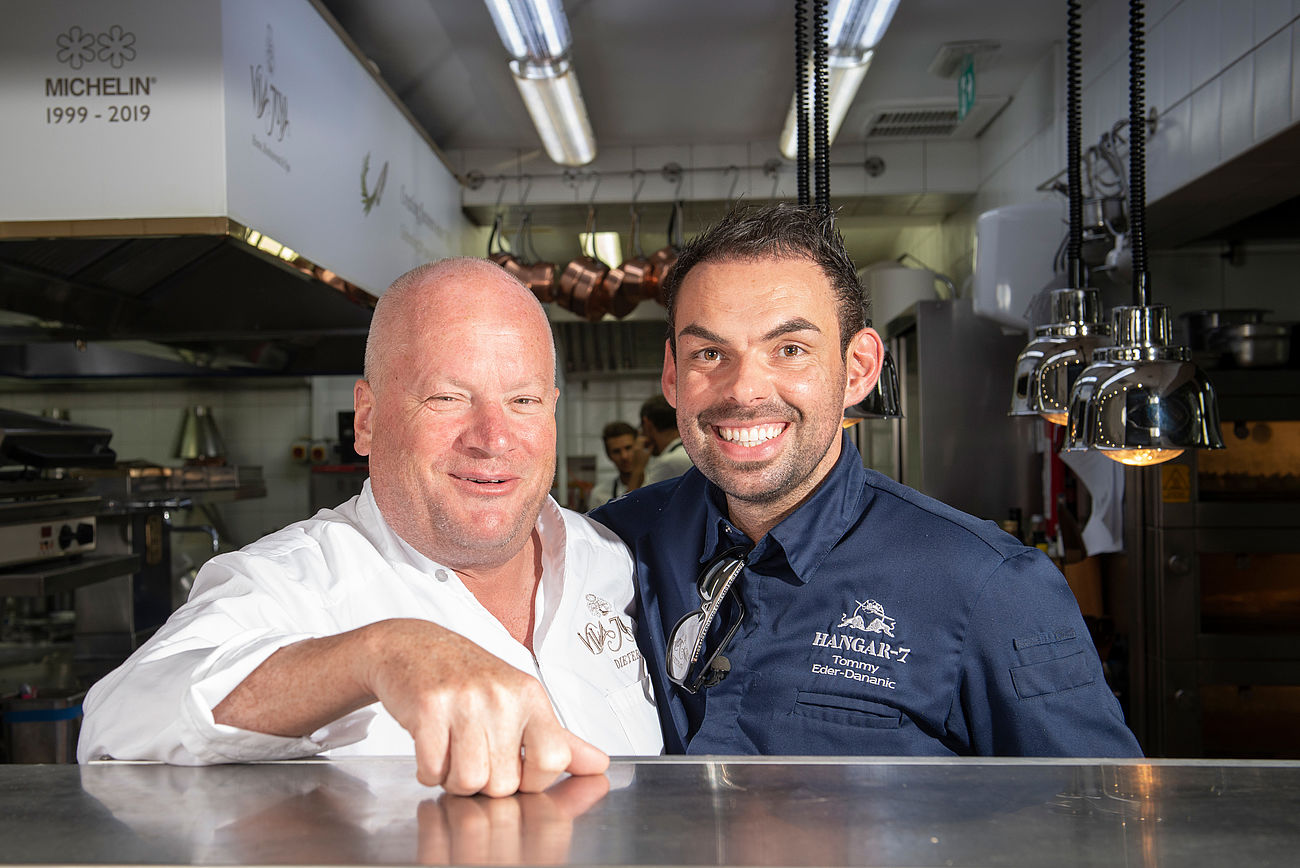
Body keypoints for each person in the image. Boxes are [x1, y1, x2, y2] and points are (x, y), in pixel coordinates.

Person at [78, 258, 662, 796]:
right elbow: (119, 724)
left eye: (524, 400)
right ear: (367, 419)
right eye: (446, 397)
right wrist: (376, 653)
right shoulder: (298, 581)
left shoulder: (614, 561)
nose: (493, 438)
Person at [591, 203, 1142, 757]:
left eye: (790, 350)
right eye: (710, 353)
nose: (744, 390)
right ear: (672, 375)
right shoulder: (611, 546)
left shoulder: (989, 586)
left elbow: (1095, 815)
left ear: (858, 369)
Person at [588, 421, 646, 509]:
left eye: (628, 448)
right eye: (616, 451)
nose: (624, 456)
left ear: (639, 447)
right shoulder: (600, 495)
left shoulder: (658, 482)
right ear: (608, 455)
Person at [639, 395, 693, 485]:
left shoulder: (667, 463)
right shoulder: (693, 451)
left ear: (647, 424)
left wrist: (637, 468)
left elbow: (635, 499)